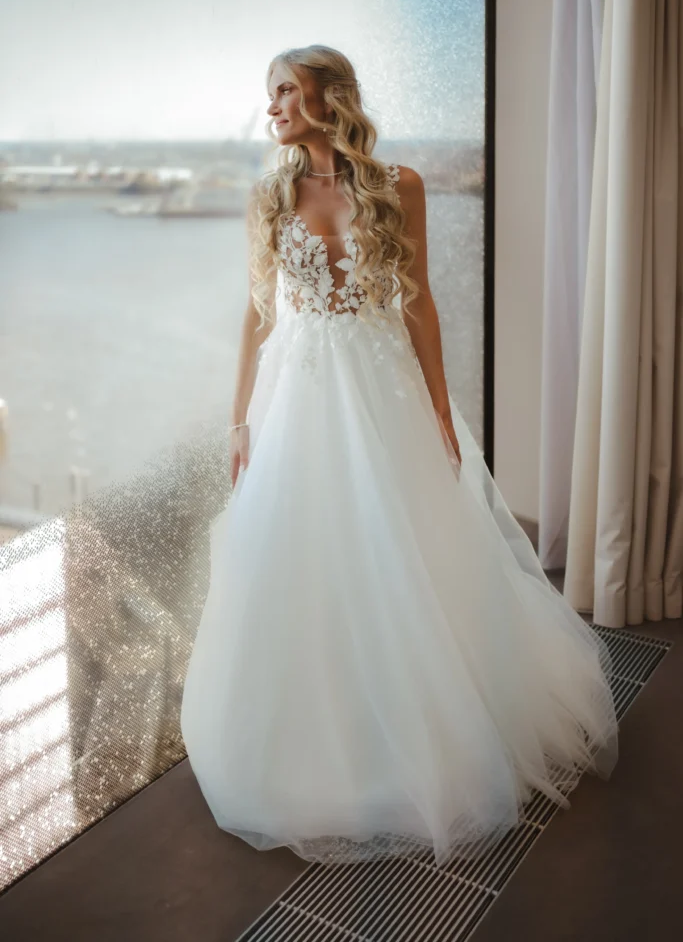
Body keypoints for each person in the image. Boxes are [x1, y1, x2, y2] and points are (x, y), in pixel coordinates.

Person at [180, 44, 618, 868]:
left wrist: (443, 411)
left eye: (284, 90)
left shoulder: (397, 187)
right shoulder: (267, 196)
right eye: (267, 93)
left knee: (409, 553)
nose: (270, 106)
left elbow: (417, 306)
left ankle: (428, 724)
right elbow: (255, 312)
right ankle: (325, 726)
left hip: (384, 388)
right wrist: (237, 421)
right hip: (304, 395)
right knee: (305, 556)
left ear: (326, 97)